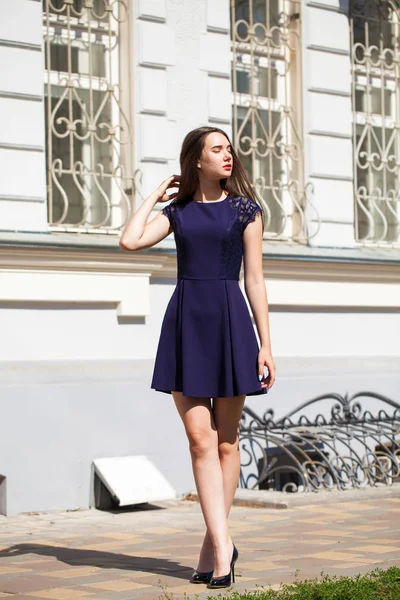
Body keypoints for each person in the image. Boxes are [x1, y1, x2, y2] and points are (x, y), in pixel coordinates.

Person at [119, 126, 276, 589]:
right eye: (217, 149)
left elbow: (256, 280)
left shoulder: (247, 209)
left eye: (229, 148)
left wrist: (266, 344)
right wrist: (154, 195)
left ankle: (214, 546)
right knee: (199, 441)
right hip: (187, 324)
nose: (227, 155)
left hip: (231, 324)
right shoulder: (179, 212)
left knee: (228, 442)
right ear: (196, 161)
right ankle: (224, 547)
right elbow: (130, 241)